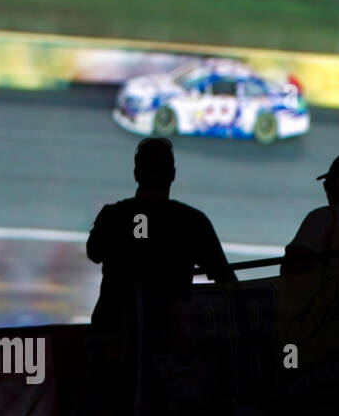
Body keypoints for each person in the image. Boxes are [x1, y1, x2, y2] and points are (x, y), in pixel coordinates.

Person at [86, 137, 235, 331]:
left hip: (112, 335)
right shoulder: (193, 222)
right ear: (172, 175)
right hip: (169, 341)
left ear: (136, 174)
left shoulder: (112, 216)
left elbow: (93, 253)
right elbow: (226, 280)